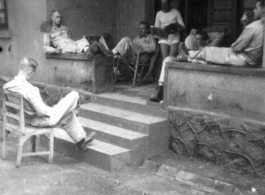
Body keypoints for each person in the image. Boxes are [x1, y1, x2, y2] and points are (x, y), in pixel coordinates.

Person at [150, 0, 264, 102]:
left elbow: (236, 47)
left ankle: (188, 54)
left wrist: (244, 27)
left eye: (256, 8)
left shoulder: (254, 26)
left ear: (263, 9)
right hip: (247, 59)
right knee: (208, 54)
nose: (254, 10)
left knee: (208, 51)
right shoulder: (260, 25)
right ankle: (188, 55)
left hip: (242, 58)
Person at [3, 58, 96, 151]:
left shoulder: (8, 86)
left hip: (25, 119)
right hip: (40, 120)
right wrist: (51, 109)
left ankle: (82, 142)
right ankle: (73, 113)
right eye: (33, 74)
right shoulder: (29, 89)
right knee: (74, 94)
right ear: (30, 72)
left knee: (68, 115)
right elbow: (42, 112)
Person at [42, 10, 108, 58]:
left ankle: (90, 51)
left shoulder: (64, 28)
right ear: (52, 17)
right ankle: (95, 50)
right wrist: (55, 50)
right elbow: (45, 48)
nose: (59, 19)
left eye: (60, 17)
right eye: (57, 17)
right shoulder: (48, 31)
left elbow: (69, 38)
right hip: (63, 47)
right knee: (73, 47)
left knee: (83, 40)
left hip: (71, 43)